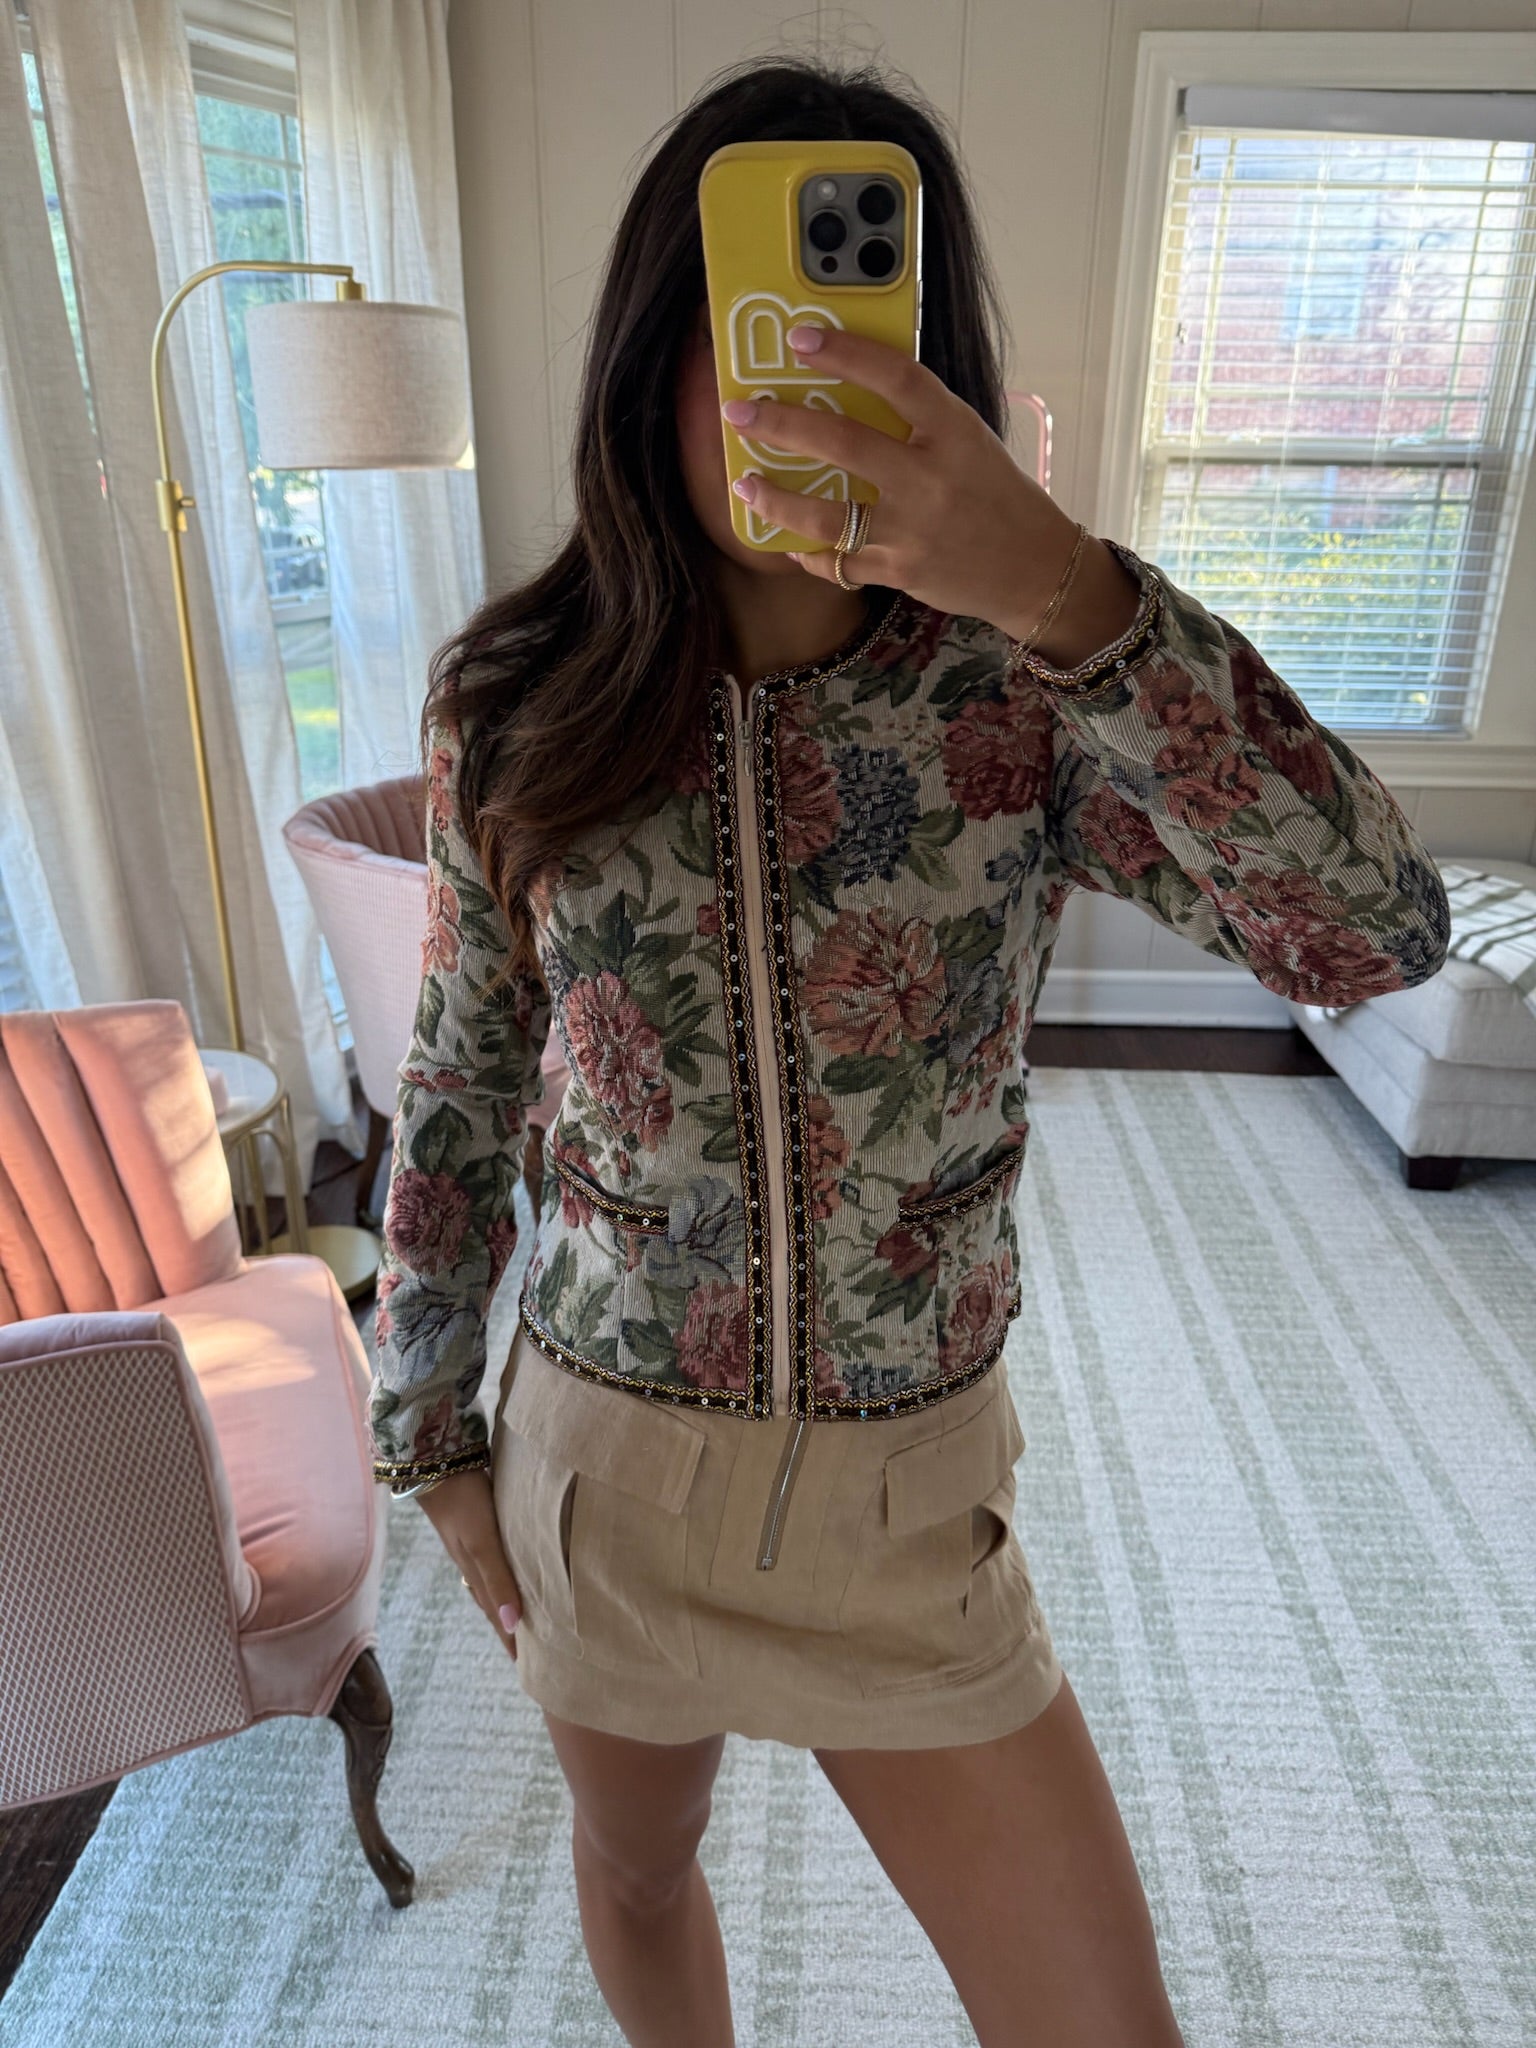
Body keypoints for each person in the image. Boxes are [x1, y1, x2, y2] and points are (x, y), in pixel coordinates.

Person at [368, 55, 1450, 2048]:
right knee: (637, 1867)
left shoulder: (1028, 694)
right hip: (609, 1482)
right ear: (648, 365)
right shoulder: (518, 704)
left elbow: (1371, 933)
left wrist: (1064, 586)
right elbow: (456, 1081)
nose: (803, 395)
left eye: (865, 341)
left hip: (910, 1515)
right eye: (750, 340)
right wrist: (425, 1432)